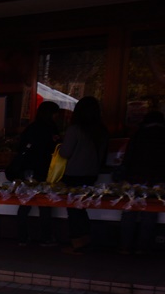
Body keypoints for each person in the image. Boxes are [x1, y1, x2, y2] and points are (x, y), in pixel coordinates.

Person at [58, 96, 108, 254]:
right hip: (91, 174)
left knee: (74, 209)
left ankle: (78, 244)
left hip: (74, 173)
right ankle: (84, 241)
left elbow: (65, 153)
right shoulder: (102, 130)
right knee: (82, 207)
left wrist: (58, 146)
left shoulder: (75, 129)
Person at [117, 110, 165, 254]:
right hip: (156, 180)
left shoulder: (138, 134)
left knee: (129, 211)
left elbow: (128, 158)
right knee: (150, 212)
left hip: (134, 178)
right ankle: (143, 247)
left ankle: (125, 246)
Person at [14, 101, 60, 246]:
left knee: (25, 204)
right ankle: (46, 237)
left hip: (28, 169)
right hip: (45, 170)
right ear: (51, 114)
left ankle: (22, 237)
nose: (57, 116)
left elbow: (21, 147)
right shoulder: (51, 129)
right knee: (45, 205)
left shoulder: (32, 128)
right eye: (56, 113)